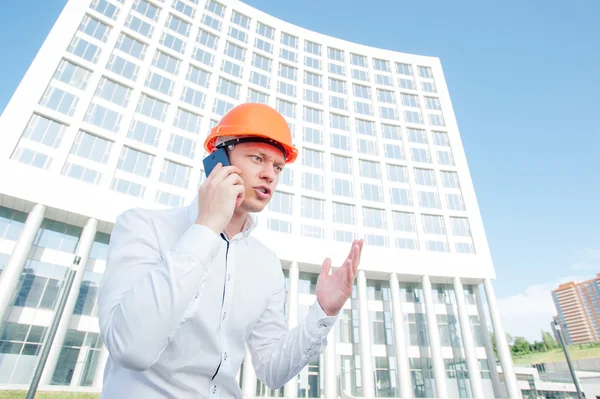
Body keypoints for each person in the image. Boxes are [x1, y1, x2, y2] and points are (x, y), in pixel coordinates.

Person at [97, 103, 364, 398]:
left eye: (277, 167)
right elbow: (130, 348)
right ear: (219, 160)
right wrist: (207, 226)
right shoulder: (143, 226)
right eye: (257, 158)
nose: (270, 175)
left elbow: (271, 369)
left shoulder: (266, 264)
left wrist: (324, 312)